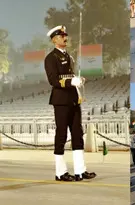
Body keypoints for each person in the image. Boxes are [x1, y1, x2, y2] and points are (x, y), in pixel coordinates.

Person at [44, 25, 96, 181]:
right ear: (55, 39)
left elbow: (70, 75)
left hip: (74, 99)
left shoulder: (69, 56)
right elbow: (53, 80)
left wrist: (78, 80)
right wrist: (70, 82)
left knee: (77, 134)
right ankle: (60, 172)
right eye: (62, 36)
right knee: (61, 134)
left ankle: (80, 170)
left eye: (65, 35)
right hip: (61, 101)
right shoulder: (51, 58)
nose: (65, 38)